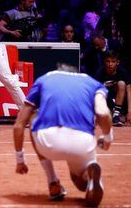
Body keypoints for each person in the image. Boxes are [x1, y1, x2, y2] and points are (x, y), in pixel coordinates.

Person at [13, 64, 113, 206]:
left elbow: (19, 124)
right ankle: (91, 178)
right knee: (81, 183)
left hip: (49, 142)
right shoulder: (94, 83)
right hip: (83, 142)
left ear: (58, 72)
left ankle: (53, 183)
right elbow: (103, 113)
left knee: (33, 116)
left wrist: (20, 160)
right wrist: (108, 137)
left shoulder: (44, 79)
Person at [94, 50, 131, 126]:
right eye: (108, 61)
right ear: (104, 62)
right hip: (105, 101)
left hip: (119, 102)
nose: (110, 64)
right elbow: (93, 92)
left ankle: (116, 115)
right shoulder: (99, 72)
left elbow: (129, 91)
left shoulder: (122, 72)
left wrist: (130, 112)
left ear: (117, 62)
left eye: (113, 61)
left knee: (121, 83)